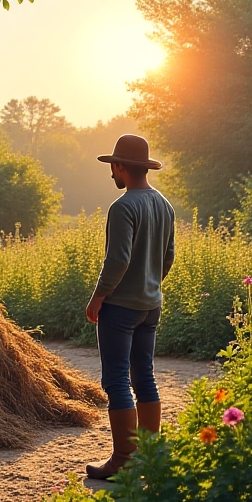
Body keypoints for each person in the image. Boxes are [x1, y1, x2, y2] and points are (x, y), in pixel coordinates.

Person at [84, 134, 175, 480]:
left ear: (122, 167)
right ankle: (149, 457)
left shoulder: (123, 207)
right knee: (144, 376)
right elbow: (168, 257)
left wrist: (98, 296)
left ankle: (123, 458)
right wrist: (149, 283)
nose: (112, 174)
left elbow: (117, 260)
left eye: (113, 167)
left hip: (120, 308)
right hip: (151, 306)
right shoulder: (164, 205)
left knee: (117, 380)